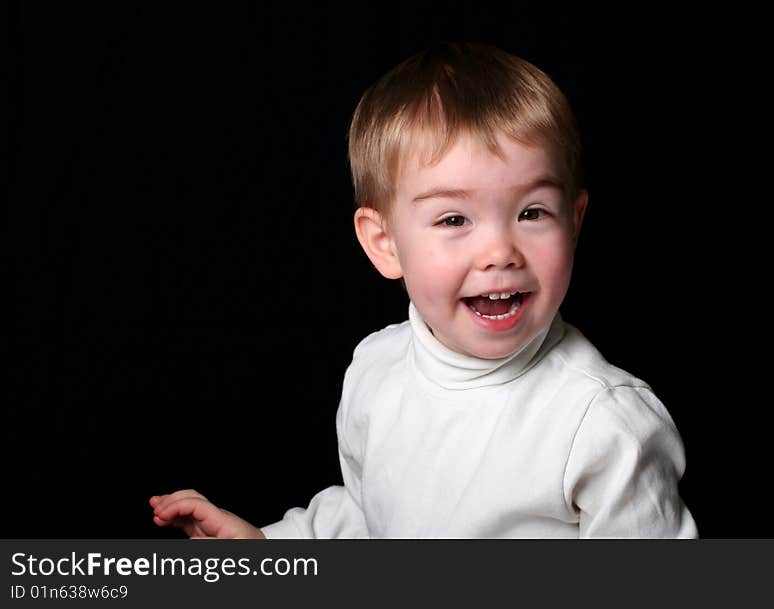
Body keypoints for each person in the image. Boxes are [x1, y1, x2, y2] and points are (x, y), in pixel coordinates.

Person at [150, 42, 698, 538]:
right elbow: (371, 515)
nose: (500, 252)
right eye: (455, 219)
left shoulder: (601, 423)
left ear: (574, 222)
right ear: (385, 243)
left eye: (532, 213)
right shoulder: (378, 368)